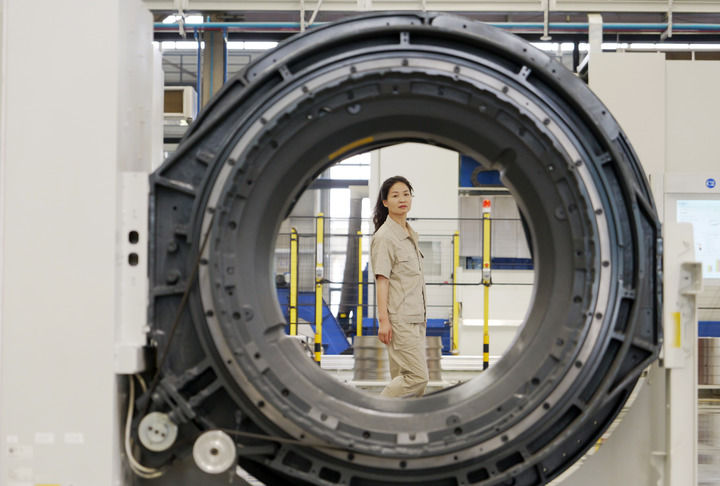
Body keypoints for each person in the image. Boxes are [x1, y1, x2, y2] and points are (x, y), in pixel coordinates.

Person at [370, 176, 429, 398]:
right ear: (385, 202)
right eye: (395, 195)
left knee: (403, 380)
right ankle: (375, 412)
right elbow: (382, 280)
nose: (402, 199)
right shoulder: (385, 237)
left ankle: (397, 419)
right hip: (400, 320)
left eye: (406, 194)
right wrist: (383, 321)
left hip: (416, 318)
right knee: (417, 377)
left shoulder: (410, 235)